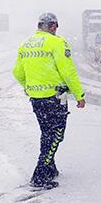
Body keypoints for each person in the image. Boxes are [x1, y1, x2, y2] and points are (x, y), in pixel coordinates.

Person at [13, 12, 86, 189]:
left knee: (46, 133)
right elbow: (68, 72)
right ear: (53, 26)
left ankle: (50, 166)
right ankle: (40, 174)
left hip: (36, 99)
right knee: (56, 134)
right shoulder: (57, 43)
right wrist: (79, 95)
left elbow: (17, 72)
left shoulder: (26, 45)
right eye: (56, 26)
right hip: (55, 97)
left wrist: (28, 87)